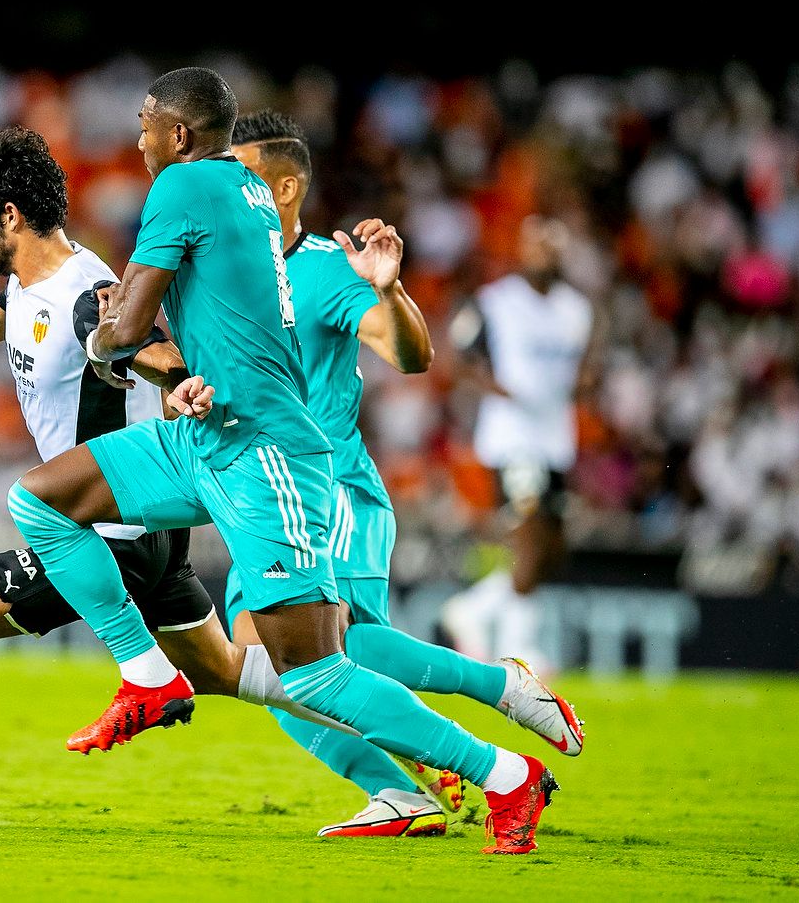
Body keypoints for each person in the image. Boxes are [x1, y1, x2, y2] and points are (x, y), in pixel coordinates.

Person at [5, 68, 558, 853]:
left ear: (181, 135)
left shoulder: (185, 188)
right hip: (206, 433)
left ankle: (504, 776)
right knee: (40, 499)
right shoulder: (247, 192)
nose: (136, 139)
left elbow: (126, 328)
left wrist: (102, 339)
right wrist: (184, 372)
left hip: (269, 453)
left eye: (145, 124)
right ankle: (149, 673)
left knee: (315, 672)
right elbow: (218, 317)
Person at [0, 127, 371, 827]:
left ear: (10, 216)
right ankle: (411, 741)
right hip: (145, 535)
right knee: (226, 672)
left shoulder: (89, 295)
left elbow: (153, 351)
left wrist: (182, 386)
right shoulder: (35, 283)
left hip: (100, 534)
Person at [228, 109, 584, 838]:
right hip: (265, 499)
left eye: (244, 175)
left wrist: (389, 290)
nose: (229, 189)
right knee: (263, 667)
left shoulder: (327, 268)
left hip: (334, 495)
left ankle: (498, 688)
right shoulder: (234, 276)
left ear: (286, 186)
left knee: (326, 651)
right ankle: (402, 791)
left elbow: (411, 355)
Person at [442, 216, 600, 675]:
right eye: (537, 246)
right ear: (523, 249)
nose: (544, 254)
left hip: (555, 438)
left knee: (552, 548)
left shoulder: (577, 308)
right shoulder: (497, 301)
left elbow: (586, 364)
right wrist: (494, 387)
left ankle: (473, 608)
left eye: (552, 246)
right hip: (512, 436)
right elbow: (458, 353)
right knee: (529, 537)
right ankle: (518, 647)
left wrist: (586, 381)